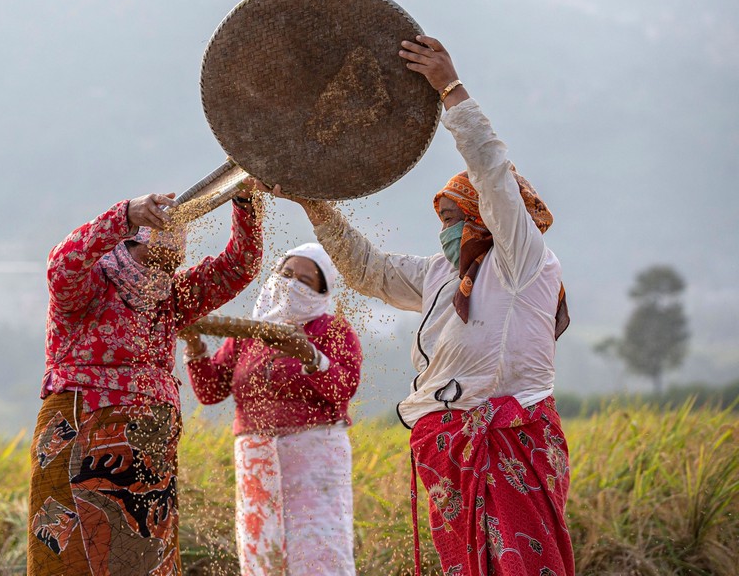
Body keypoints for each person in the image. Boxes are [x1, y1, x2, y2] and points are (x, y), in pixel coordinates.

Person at [276, 36, 574, 576]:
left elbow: (492, 175)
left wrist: (450, 89)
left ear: (488, 219)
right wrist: (313, 205)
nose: (449, 230)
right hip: (447, 442)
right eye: (443, 220)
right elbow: (369, 271)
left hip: (510, 439)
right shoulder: (442, 275)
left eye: (457, 217)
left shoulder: (523, 260)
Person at [28, 188, 263, 576]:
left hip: (149, 457)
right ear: (130, 240)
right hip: (80, 441)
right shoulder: (89, 285)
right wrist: (125, 213)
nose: (164, 270)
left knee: (145, 562)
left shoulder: (170, 297)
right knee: (72, 563)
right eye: (154, 254)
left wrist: (245, 204)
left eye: (173, 260)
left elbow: (239, 266)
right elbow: (61, 264)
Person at [183, 243, 362, 575]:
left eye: (305, 280)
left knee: (319, 548)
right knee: (262, 550)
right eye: (287, 273)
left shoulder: (334, 331)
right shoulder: (249, 334)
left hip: (314, 454)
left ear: (323, 291)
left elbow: (342, 390)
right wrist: (194, 344)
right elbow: (211, 391)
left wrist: (310, 356)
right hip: (256, 458)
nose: (292, 283)